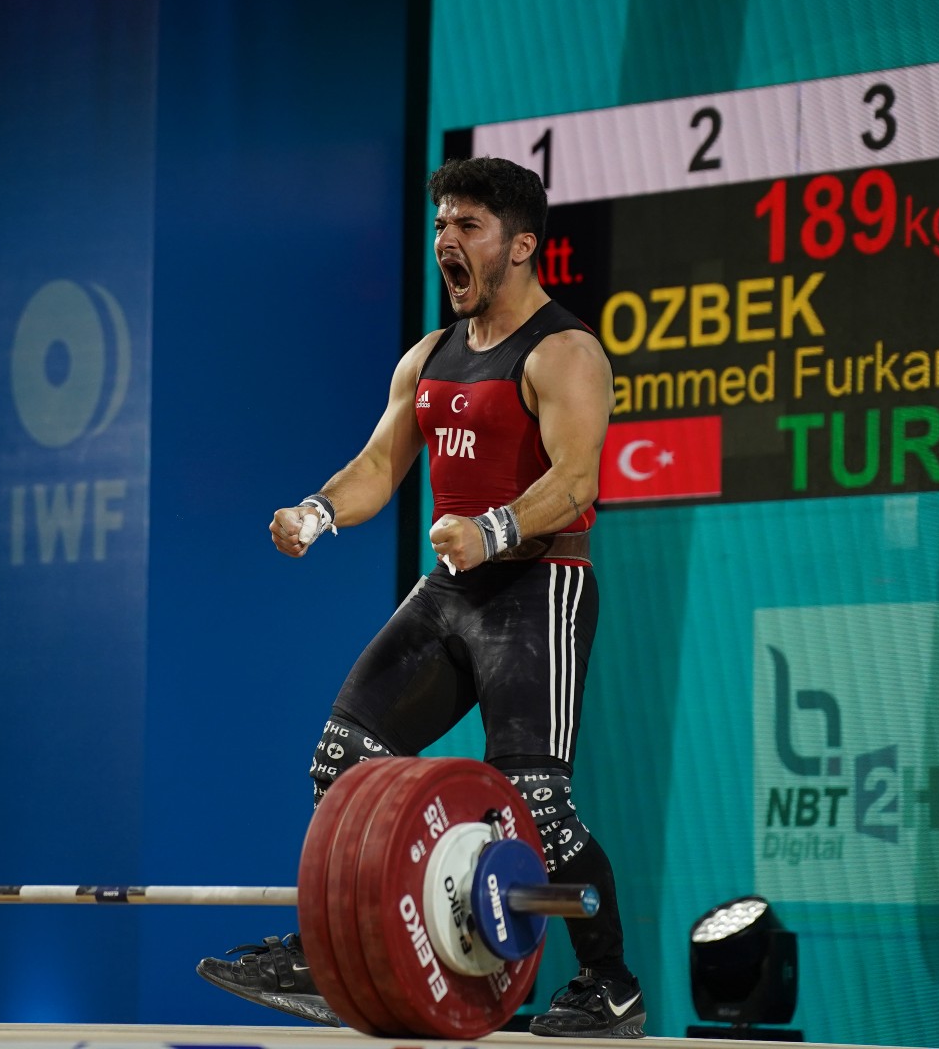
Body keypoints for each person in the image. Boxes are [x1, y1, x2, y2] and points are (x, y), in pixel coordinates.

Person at [198, 156, 646, 1038]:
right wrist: (317, 512)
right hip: (451, 594)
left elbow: (577, 480)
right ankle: (331, 960)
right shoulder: (430, 357)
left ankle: (611, 985)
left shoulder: (565, 352)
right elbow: (377, 468)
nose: (446, 242)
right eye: (441, 226)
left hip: (538, 590)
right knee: (344, 760)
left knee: (540, 810)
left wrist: (493, 532)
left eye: (467, 227)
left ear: (520, 246)